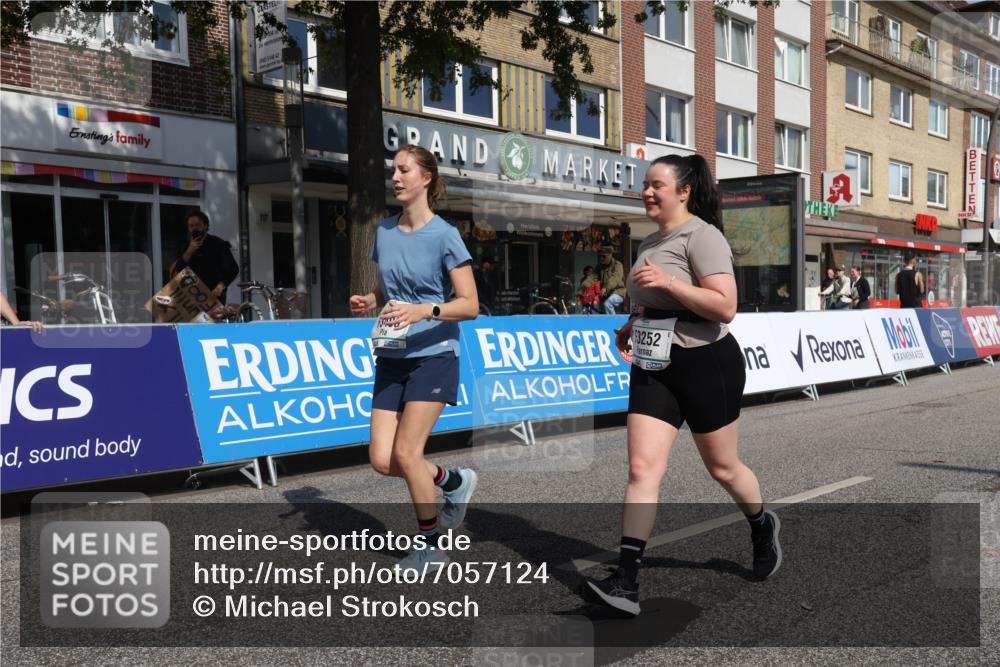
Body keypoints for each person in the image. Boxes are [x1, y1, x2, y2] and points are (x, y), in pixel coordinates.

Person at [584, 154, 780, 616]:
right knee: (641, 469)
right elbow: (654, 298)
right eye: (645, 185)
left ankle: (760, 524)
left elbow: (725, 306)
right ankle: (627, 582)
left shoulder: (702, 236)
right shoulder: (650, 240)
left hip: (705, 360)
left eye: (657, 185)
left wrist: (671, 283)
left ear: (684, 190)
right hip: (655, 363)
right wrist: (635, 321)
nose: (647, 192)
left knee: (724, 468)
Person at [349, 145, 479, 573]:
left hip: (435, 353)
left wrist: (425, 310)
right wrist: (368, 299)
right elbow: (390, 291)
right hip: (392, 354)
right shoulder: (384, 231)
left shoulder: (445, 235)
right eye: (393, 171)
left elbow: (470, 304)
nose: (396, 178)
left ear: (426, 178)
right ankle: (452, 482)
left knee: (408, 453)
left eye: (404, 170)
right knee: (383, 460)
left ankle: (431, 547)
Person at [170, 211, 239, 300]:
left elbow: (233, 269)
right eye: (191, 226)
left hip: (213, 295)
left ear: (205, 226)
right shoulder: (187, 246)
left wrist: (221, 286)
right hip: (193, 295)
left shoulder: (218, 244)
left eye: (198, 225)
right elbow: (179, 268)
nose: (195, 229)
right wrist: (190, 251)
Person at [597, 247, 626, 314]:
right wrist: (582, 288)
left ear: (610, 255)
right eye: (600, 256)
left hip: (618, 292)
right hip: (606, 294)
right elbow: (592, 277)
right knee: (602, 309)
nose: (601, 258)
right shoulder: (600, 267)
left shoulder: (617, 265)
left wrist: (605, 288)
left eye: (603, 256)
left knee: (608, 303)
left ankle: (613, 322)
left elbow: (615, 278)